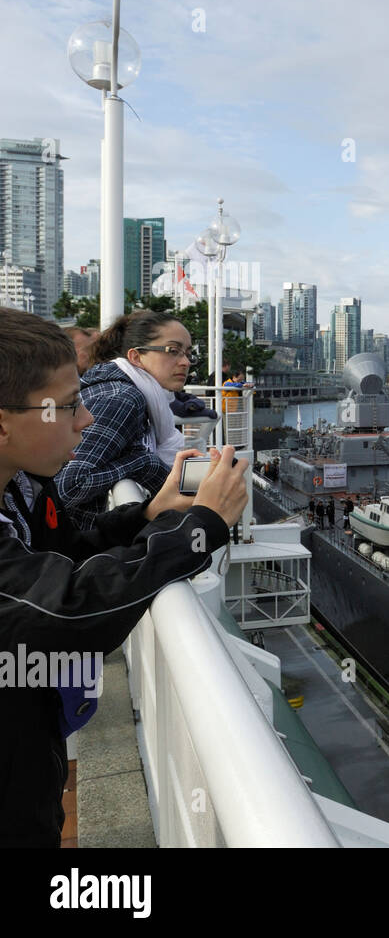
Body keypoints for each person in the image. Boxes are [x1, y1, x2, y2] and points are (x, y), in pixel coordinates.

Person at [0, 308, 248, 847]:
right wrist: (201, 527)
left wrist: (147, 513)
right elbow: (65, 608)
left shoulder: (17, 490)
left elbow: (64, 553)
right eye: (68, 406)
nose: (87, 420)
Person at [55, 311, 194, 529]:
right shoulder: (122, 398)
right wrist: (142, 462)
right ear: (136, 357)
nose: (185, 362)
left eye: (188, 353)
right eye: (173, 351)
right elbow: (70, 486)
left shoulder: (134, 394)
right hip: (70, 545)